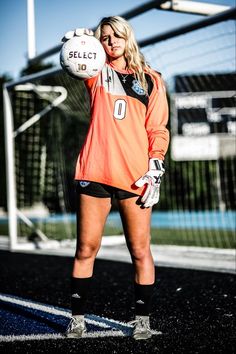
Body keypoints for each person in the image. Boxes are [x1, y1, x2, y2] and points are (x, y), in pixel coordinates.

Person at [62, 16, 169, 340]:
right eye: (104, 36)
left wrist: (155, 166)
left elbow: (157, 128)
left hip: (135, 177)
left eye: (115, 34)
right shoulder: (96, 72)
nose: (110, 41)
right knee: (86, 248)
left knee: (140, 250)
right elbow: (79, 62)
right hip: (95, 171)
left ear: (127, 36)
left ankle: (142, 320)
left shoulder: (150, 79)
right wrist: (73, 46)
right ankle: (77, 318)